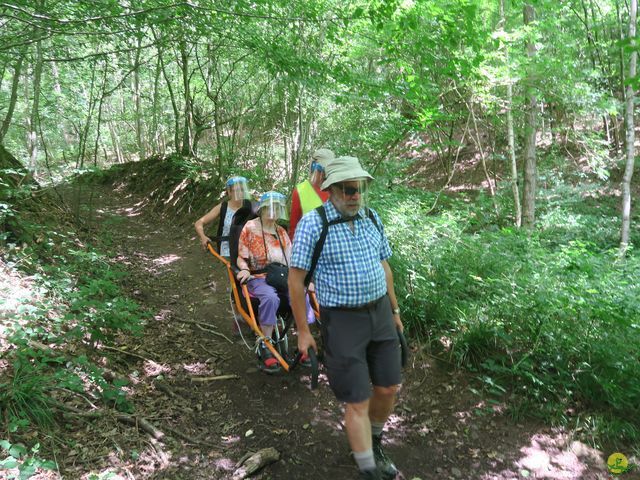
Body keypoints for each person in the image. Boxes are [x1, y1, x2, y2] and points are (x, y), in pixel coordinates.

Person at [288, 156, 403, 480]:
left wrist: (394, 312)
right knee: (357, 399)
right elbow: (296, 281)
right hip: (342, 320)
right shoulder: (315, 223)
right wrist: (303, 331)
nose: (355, 195)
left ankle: (374, 441)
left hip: (379, 313)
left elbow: (385, 266)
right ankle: (367, 467)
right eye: (349, 189)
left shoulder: (371, 218)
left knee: (388, 386)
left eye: (360, 189)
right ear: (333, 190)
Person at [236, 191, 315, 373]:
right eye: (271, 207)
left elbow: (293, 261)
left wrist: (303, 282)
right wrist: (245, 269)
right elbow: (241, 257)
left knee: (302, 296)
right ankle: (266, 345)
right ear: (263, 209)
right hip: (258, 276)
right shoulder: (250, 227)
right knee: (271, 298)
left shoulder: (281, 232)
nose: (274, 211)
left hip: (281, 276)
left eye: (277, 208)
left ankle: (304, 342)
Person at [194, 176, 251, 259]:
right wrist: (203, 237)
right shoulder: (223, 207)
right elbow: (199, 223)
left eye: (242, 189)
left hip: (248, 249)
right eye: (237, 190)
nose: (240, 193)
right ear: (229, 192)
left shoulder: (250, 206)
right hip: (227, 251)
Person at [288, 148, 335, 239]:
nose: (324, 174)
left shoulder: (335, 188)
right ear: (313, 166)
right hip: (308, 244)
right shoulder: (301, 190)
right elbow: (294, 226)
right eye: (321, 169)